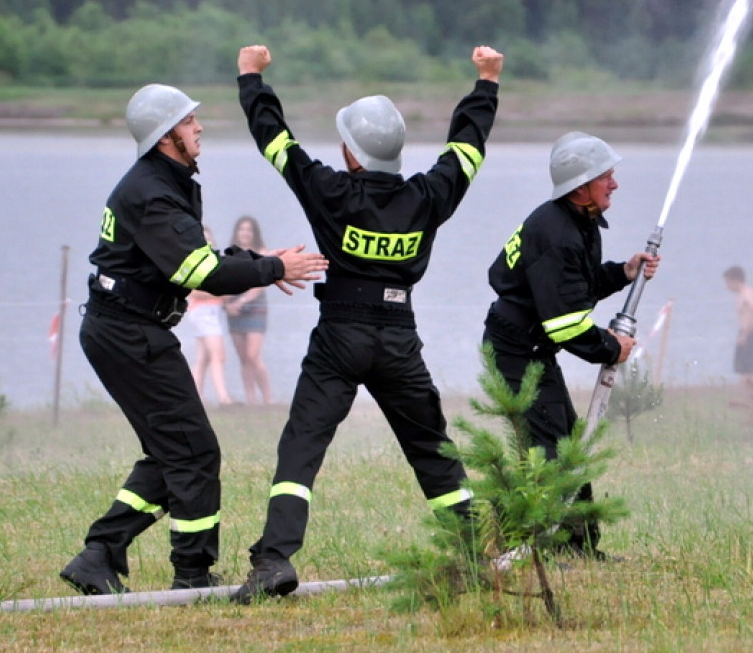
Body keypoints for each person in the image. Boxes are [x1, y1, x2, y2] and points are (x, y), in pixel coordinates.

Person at [228, 43, 504, 603]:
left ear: (352, 155)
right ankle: (475, 552)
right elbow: (467, 151)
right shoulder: (428, 196)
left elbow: (277, 143)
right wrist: (486, 83)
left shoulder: (330, 190)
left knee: (302, 446)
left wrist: (251, 78)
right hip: (399, 335)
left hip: (340, 334)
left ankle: (274, 560)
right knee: (430, 446)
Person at [60, 83, 327, 595]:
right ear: (166, 137)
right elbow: (200, 272)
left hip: (130, 329)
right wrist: (272, 268)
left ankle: (99, 554)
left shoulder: (169, 179)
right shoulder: (152, 192)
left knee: (173, 451)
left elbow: (197, 258)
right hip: (127, 334)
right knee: (194, 451)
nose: (199, 127)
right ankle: (192, 574)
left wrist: (260, 262)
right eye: (187, 122)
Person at [482, 131, 659, 560]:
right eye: (606, 177)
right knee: (549, 451)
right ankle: (549, 551)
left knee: (568, 442)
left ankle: (578, 548)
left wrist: (622, 272)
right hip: (517, 351)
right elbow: (563, 323)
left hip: (534, 348)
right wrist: (609, 347)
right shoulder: (557, 233)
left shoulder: (577, 220)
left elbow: (573, 289)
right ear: (580, 187)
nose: (614, 184)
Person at [224, 216, 274, 405]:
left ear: (254, 233)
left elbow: (261, 284)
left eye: (249, 229)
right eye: (242, 229)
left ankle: (268, 398)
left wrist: (243, 301)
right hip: (234, 310)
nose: (245, 233)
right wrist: (228, 304)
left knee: (253, 355)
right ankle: (250, 400)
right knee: (244, 358)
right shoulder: (230, 255)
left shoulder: (262, 253)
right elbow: (224, 281)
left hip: (255, 308)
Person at [186, 226, 236, 407]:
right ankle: (223, 398)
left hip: (212, 313)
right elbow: (193, 292)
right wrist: (219, 294)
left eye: (209, 238)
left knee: (203, 358)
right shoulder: (193, 262)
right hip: (203, 313)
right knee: (218, 355)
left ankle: (195, 397)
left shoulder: (214, 261)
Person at [723, 265, 753, 380]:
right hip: (750, 333)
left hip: (748, 336)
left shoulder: (746, 295)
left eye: (728, 282)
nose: (727, 286)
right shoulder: (750, 292)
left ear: (735, 280)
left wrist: (744, 335)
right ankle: (751, 396)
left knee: (746, 373)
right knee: (744, 370)